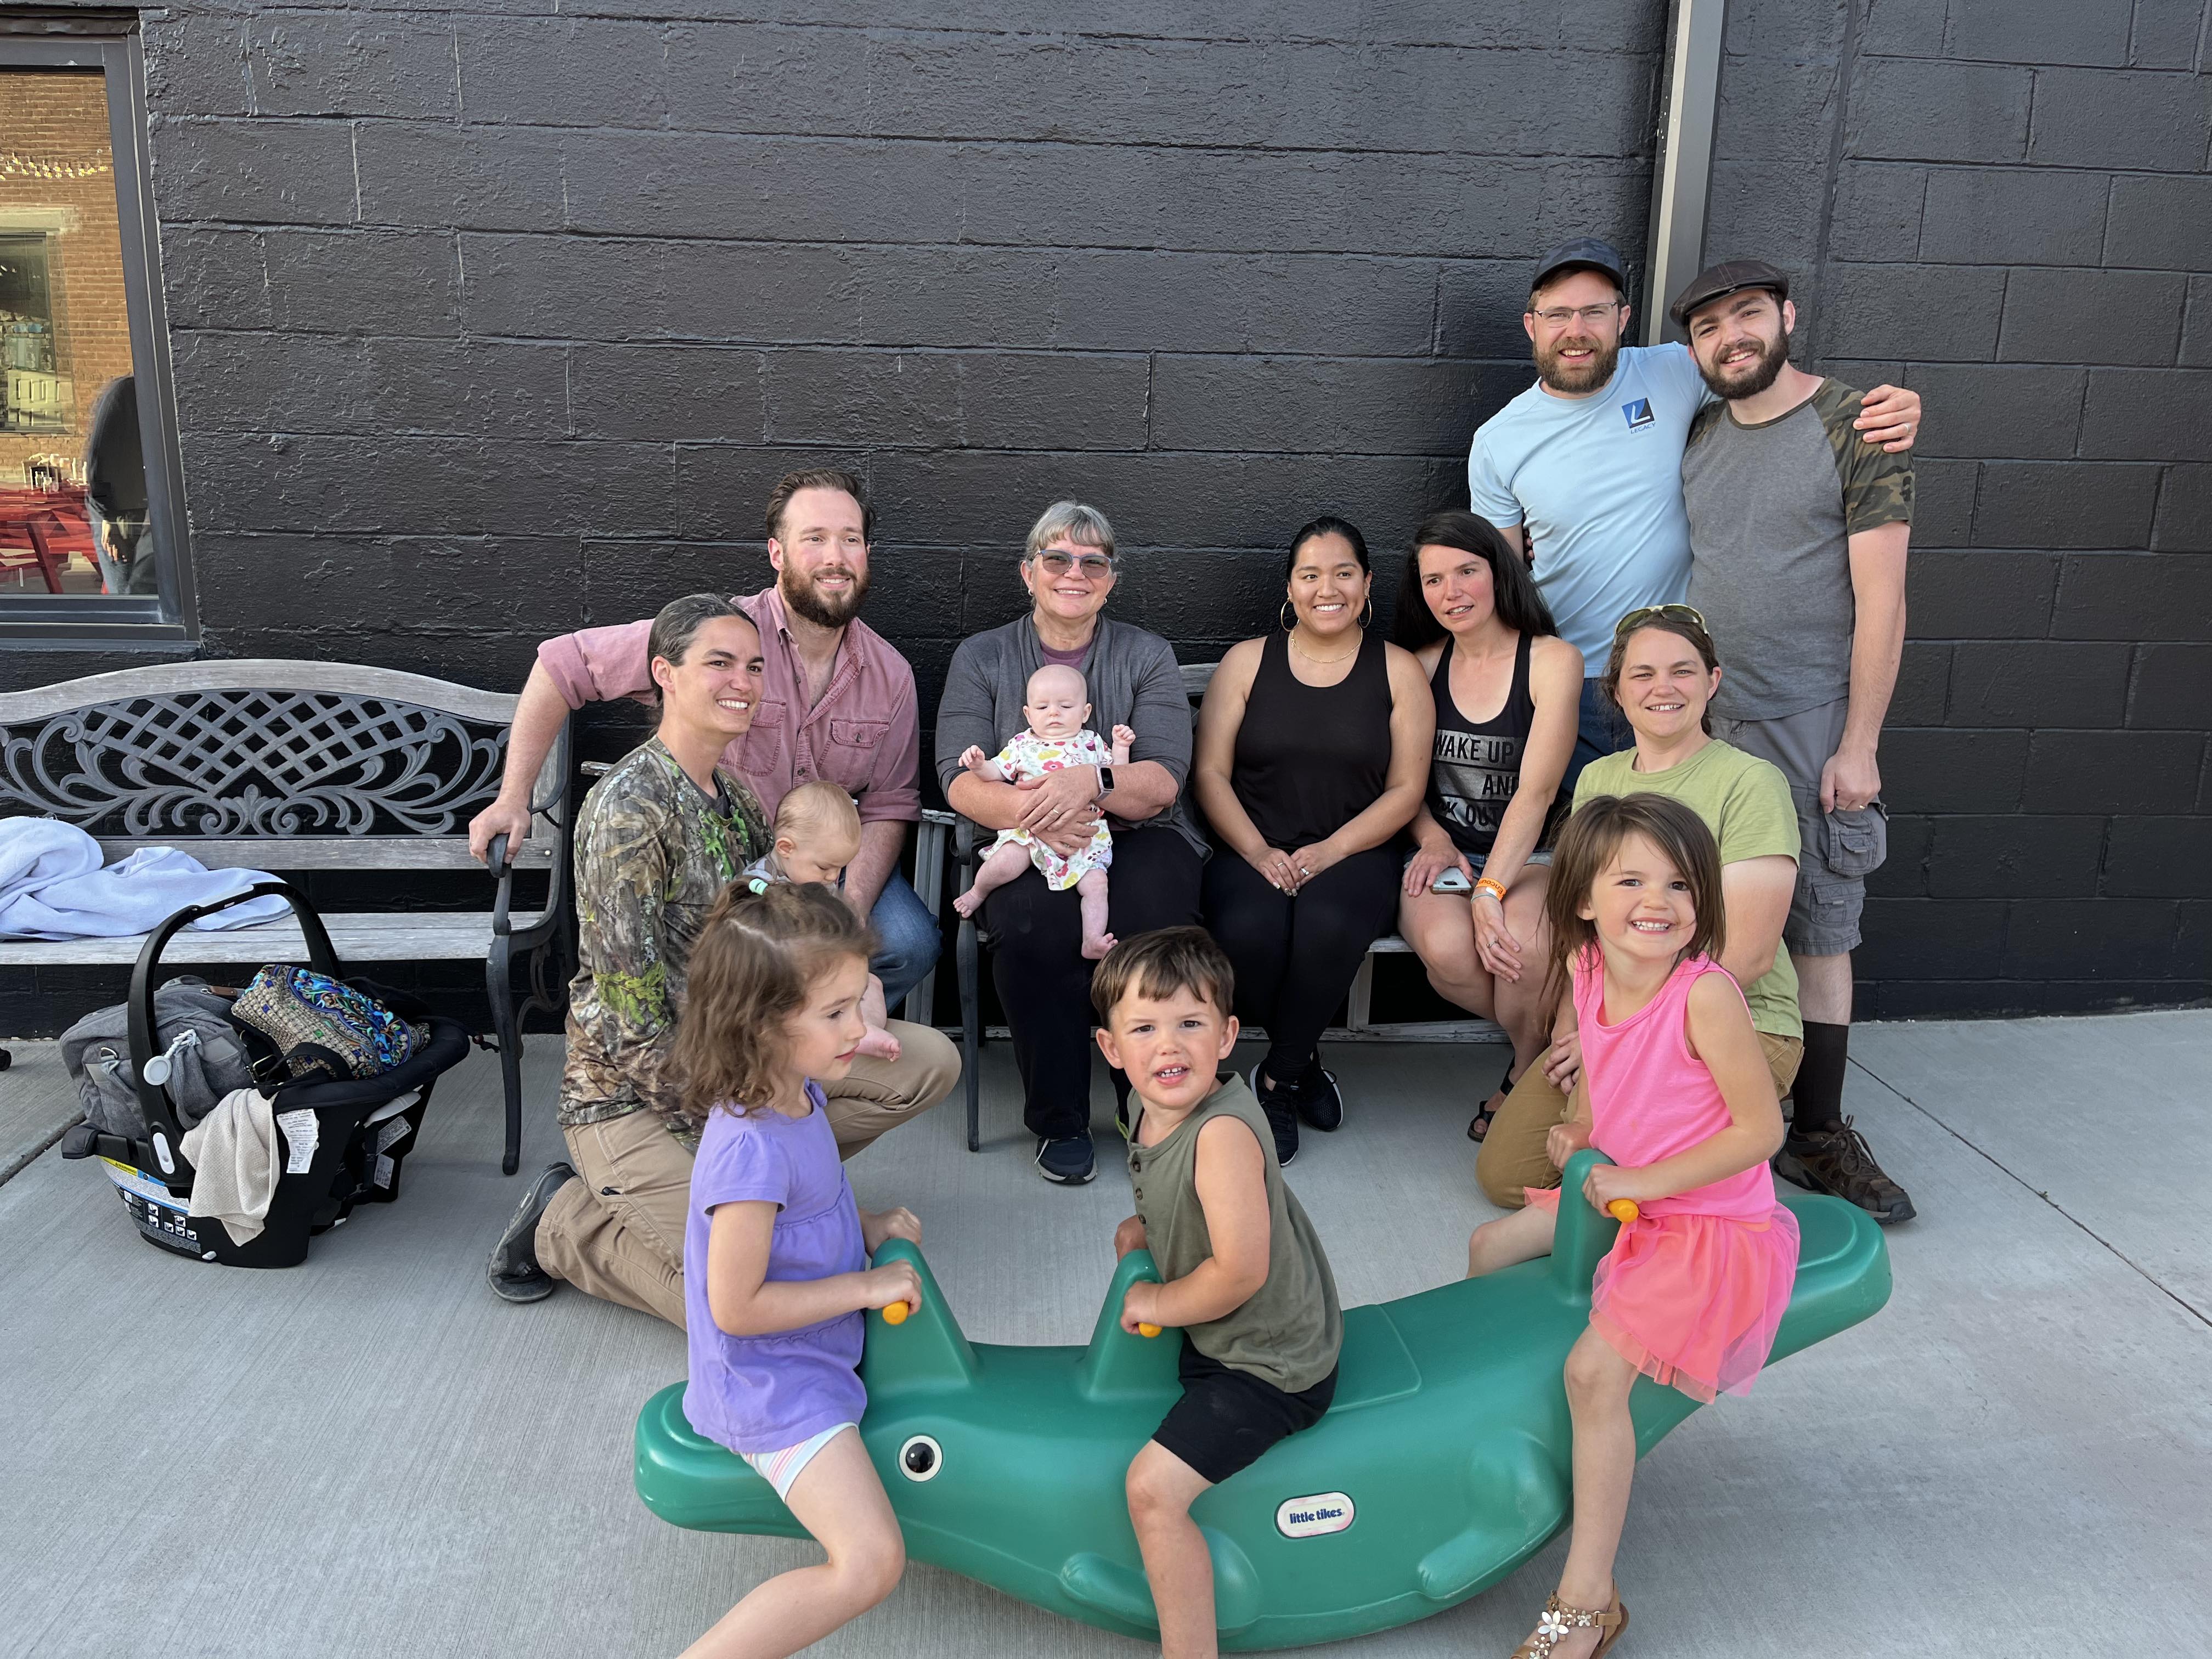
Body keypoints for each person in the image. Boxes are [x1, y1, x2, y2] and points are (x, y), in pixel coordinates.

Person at [484, 595, 957, 1317]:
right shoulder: (629, 811)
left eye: (755, 666)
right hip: (631, 1099)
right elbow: (627, 1024)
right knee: (757, 1302)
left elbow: (780, 942)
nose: (743, 681)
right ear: (664, 674)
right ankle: (566, 1224)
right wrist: (739, 1136)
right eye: (720, 663)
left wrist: (844, 998)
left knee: (925, 1064)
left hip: (736, 1064)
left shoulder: (734, 796)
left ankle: (775, 1199)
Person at [1467, 794, 1797, 1659]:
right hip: (1624, 1194)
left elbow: (1760, 1131)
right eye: (1632, 881)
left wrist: (1640, 1179)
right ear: (1584, 900)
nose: (1659, 901)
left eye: (1681, 884)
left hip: (1706, 1220)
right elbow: (1612, 1071)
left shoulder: (1706, 996)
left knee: (1593, 1374)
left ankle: (1588, 1600)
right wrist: (1584, 1126)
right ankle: (1503, 1425)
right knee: (1490, 1248)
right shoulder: (1586, 966)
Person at [466, 467, 941, 1015]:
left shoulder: (891, 675)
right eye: (814, 538)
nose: (835, 557)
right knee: (726, 957)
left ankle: (806, 1044)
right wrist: (513, 798)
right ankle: (752, 1046)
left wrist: (847, 912)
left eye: (850, 540)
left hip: (828, 865)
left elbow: (889, 805)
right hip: (725, 861)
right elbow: (561, 666)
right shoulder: (719, 637)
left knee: (908, 944)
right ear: (777, 553)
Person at [1465, 238, 1921, 795]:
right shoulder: (1498, 441)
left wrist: (1883, 411)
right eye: (1557, 314)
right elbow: (1505, 583)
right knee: (1593, 839)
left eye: (1595, 312)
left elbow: (1762, 377)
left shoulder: (1674, 371)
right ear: (1532, 326)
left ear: (1623, 320)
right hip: (1575, 684)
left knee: (1695, 837)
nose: (1576, 330)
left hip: (1684, 678)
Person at [1674, 258, 1916, 1223]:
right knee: (1697, 920)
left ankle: (1815, 1132)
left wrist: (1859, 742)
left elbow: (1884, 599)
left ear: (1786, 316)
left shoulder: (1855, 423)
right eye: (1707, 328)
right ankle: (1706, 1113)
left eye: (1747, 315)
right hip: (1700, 721)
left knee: (1817, 924)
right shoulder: (1698, 429)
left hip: (1807, 719)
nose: (1729, 337)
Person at [1475, 610, 1803, 1215]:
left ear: (1712, 681)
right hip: (1611, 1017)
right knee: (1507, 1177)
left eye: (1683, 671)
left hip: (1733, 1024)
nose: (1663, 688)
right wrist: (1579, 1028)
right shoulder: (1599, 779)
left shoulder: (1750, 782)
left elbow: (1750, 953)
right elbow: (1582, 932)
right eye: (1643, 674)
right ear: (1618, 691)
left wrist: (1622, 1033)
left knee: (1620, 1171)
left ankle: (1691, 1192)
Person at [670, 881, 923, 1659]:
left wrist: (867, 1226)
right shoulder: (749, 1150)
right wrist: (865, 1286)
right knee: (871, 1562)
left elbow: (809, 1210)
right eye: (837, 1012)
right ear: (764, 1026)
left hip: (814, 1354)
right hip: (772, 1388)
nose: (860, 1028)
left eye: (859, 1003)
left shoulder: (799, 1091)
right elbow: (737, 1307)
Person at [935, 501, 1205, 1186]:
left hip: (1137, 835)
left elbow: (1163, 781)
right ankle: (1060, 1117)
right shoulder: (984, 656)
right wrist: (1037, 815)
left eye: (1093, 562)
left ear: (1111, 581)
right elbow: (956, 779)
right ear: (1029, 573)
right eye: (1056, 558)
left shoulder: (1145, 654)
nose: (1074, 573)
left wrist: (1091, 782)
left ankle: (1148, 1103)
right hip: (1021, 834)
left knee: (1153, 922)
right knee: (1030, 927)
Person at [1096, 928, 1342, 1659]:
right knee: (1131, 1239)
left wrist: (1157, 1305)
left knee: (1151, 1491)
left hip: (1271, 1363)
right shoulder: (1154, 1108)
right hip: (1226, 1332)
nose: (1169, 1046)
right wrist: (1149, 1231)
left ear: (1228, 1036)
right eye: (1144, 1028)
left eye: (1190, 1024)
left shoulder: (1222, 1134)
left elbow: (1239, 1272)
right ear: (1111, 1048)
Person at [1192, 516, 1431, 1165]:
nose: (1328, 589)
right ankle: (1305, 1061)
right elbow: (1210, 773)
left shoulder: (1399, 669)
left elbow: (1406, 790)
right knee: (1248, 931)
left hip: (1356, 849)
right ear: (1291, 587)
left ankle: (1276, 1080)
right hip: (1252, 844)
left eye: (1343, 573)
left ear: (1368, 583)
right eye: (1311, 575)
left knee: (1327, 924)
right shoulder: (1247, 662)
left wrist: (1331, 851)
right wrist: (1257, 851)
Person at [1389, 510, 1582, 1139]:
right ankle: (1561, 1038)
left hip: (1531, 853)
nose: (1452, 592)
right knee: (1450, 954)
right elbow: (1401, 782)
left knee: (1521, 950)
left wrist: (1490, 892)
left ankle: (1524, 1074)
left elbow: (1538, 791)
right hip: (1443, 852)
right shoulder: (1420, 665)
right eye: (1434, 579)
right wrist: (1432, 836)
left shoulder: (1552, 660)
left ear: (1499, 573)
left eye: (1467, 571)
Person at [951, 663, 1137, 960]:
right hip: (1031, 829)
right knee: (1006, 862)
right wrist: (979, 766)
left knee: (1097, 885)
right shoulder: (1022, 744)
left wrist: (1120, 747)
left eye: (1066, 706)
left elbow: (1118, 777)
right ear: (1028, 714)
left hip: (1084, 836)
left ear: (1085, 712)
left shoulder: (1091, 743)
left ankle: (1092, 939)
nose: (1054, 713)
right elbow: (996, 773)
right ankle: (977, 892)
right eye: (1042, 707)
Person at [744, 779, 904, 1061]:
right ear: (786, 848)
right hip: (780, 981)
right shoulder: (759, 886)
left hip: (823, 976)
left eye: (841, 868)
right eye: (825, 867)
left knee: (872, 985)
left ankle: (864, 1031)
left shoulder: (814, 879)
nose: (833, 878)